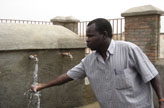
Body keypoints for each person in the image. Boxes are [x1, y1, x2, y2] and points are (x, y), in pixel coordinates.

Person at [31, 18, 164, 108]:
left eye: (90, 36)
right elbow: (67, 76)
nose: (86, 40)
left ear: (104, 35)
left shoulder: (129, 50)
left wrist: (161, 101)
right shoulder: (89, 61)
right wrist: (42, 86)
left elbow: (152, 75)